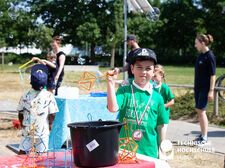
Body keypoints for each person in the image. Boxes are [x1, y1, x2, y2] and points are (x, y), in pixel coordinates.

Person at [107, 48, 168, 158]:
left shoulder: (158, 98)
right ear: (132, 69)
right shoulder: (124, 91)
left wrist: (162, 153)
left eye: (148, 68)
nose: (143, 72)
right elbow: (112, 108)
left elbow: (161, 126)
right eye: (139, 67)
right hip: (124, 151)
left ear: (154, 71)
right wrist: (110, 84)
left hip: (149, 153)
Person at [17, 64, 59, 154]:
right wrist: (50, 124)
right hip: (42, 131)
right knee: (42, 154)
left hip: (27, 131)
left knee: (23, 152)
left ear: (30, 82)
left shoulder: (25, 95)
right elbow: (53, 114)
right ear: (46, 82)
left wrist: (21, 123)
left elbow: (20, 112)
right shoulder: (49, 96)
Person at [194, 34, 216, 145]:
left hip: (205, 89)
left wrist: (211, 90)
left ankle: (205, 137)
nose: (195, 45)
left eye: (196, 43)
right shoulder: (200, 56)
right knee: (199, 111)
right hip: (197, 88)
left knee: (202, 111)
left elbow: (213, 75)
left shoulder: (210, 56)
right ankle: (203, 134)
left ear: (202, 43)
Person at [152, 64, 174, 138]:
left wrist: (163, 106)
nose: (153, 79)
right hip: (153, 115)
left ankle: (162, 148)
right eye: (152, 76)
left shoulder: (165, 88)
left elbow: (172, 101)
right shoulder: (150, 86)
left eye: (155, 76)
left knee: (161, 137)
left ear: (161, 75)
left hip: (163, 116)